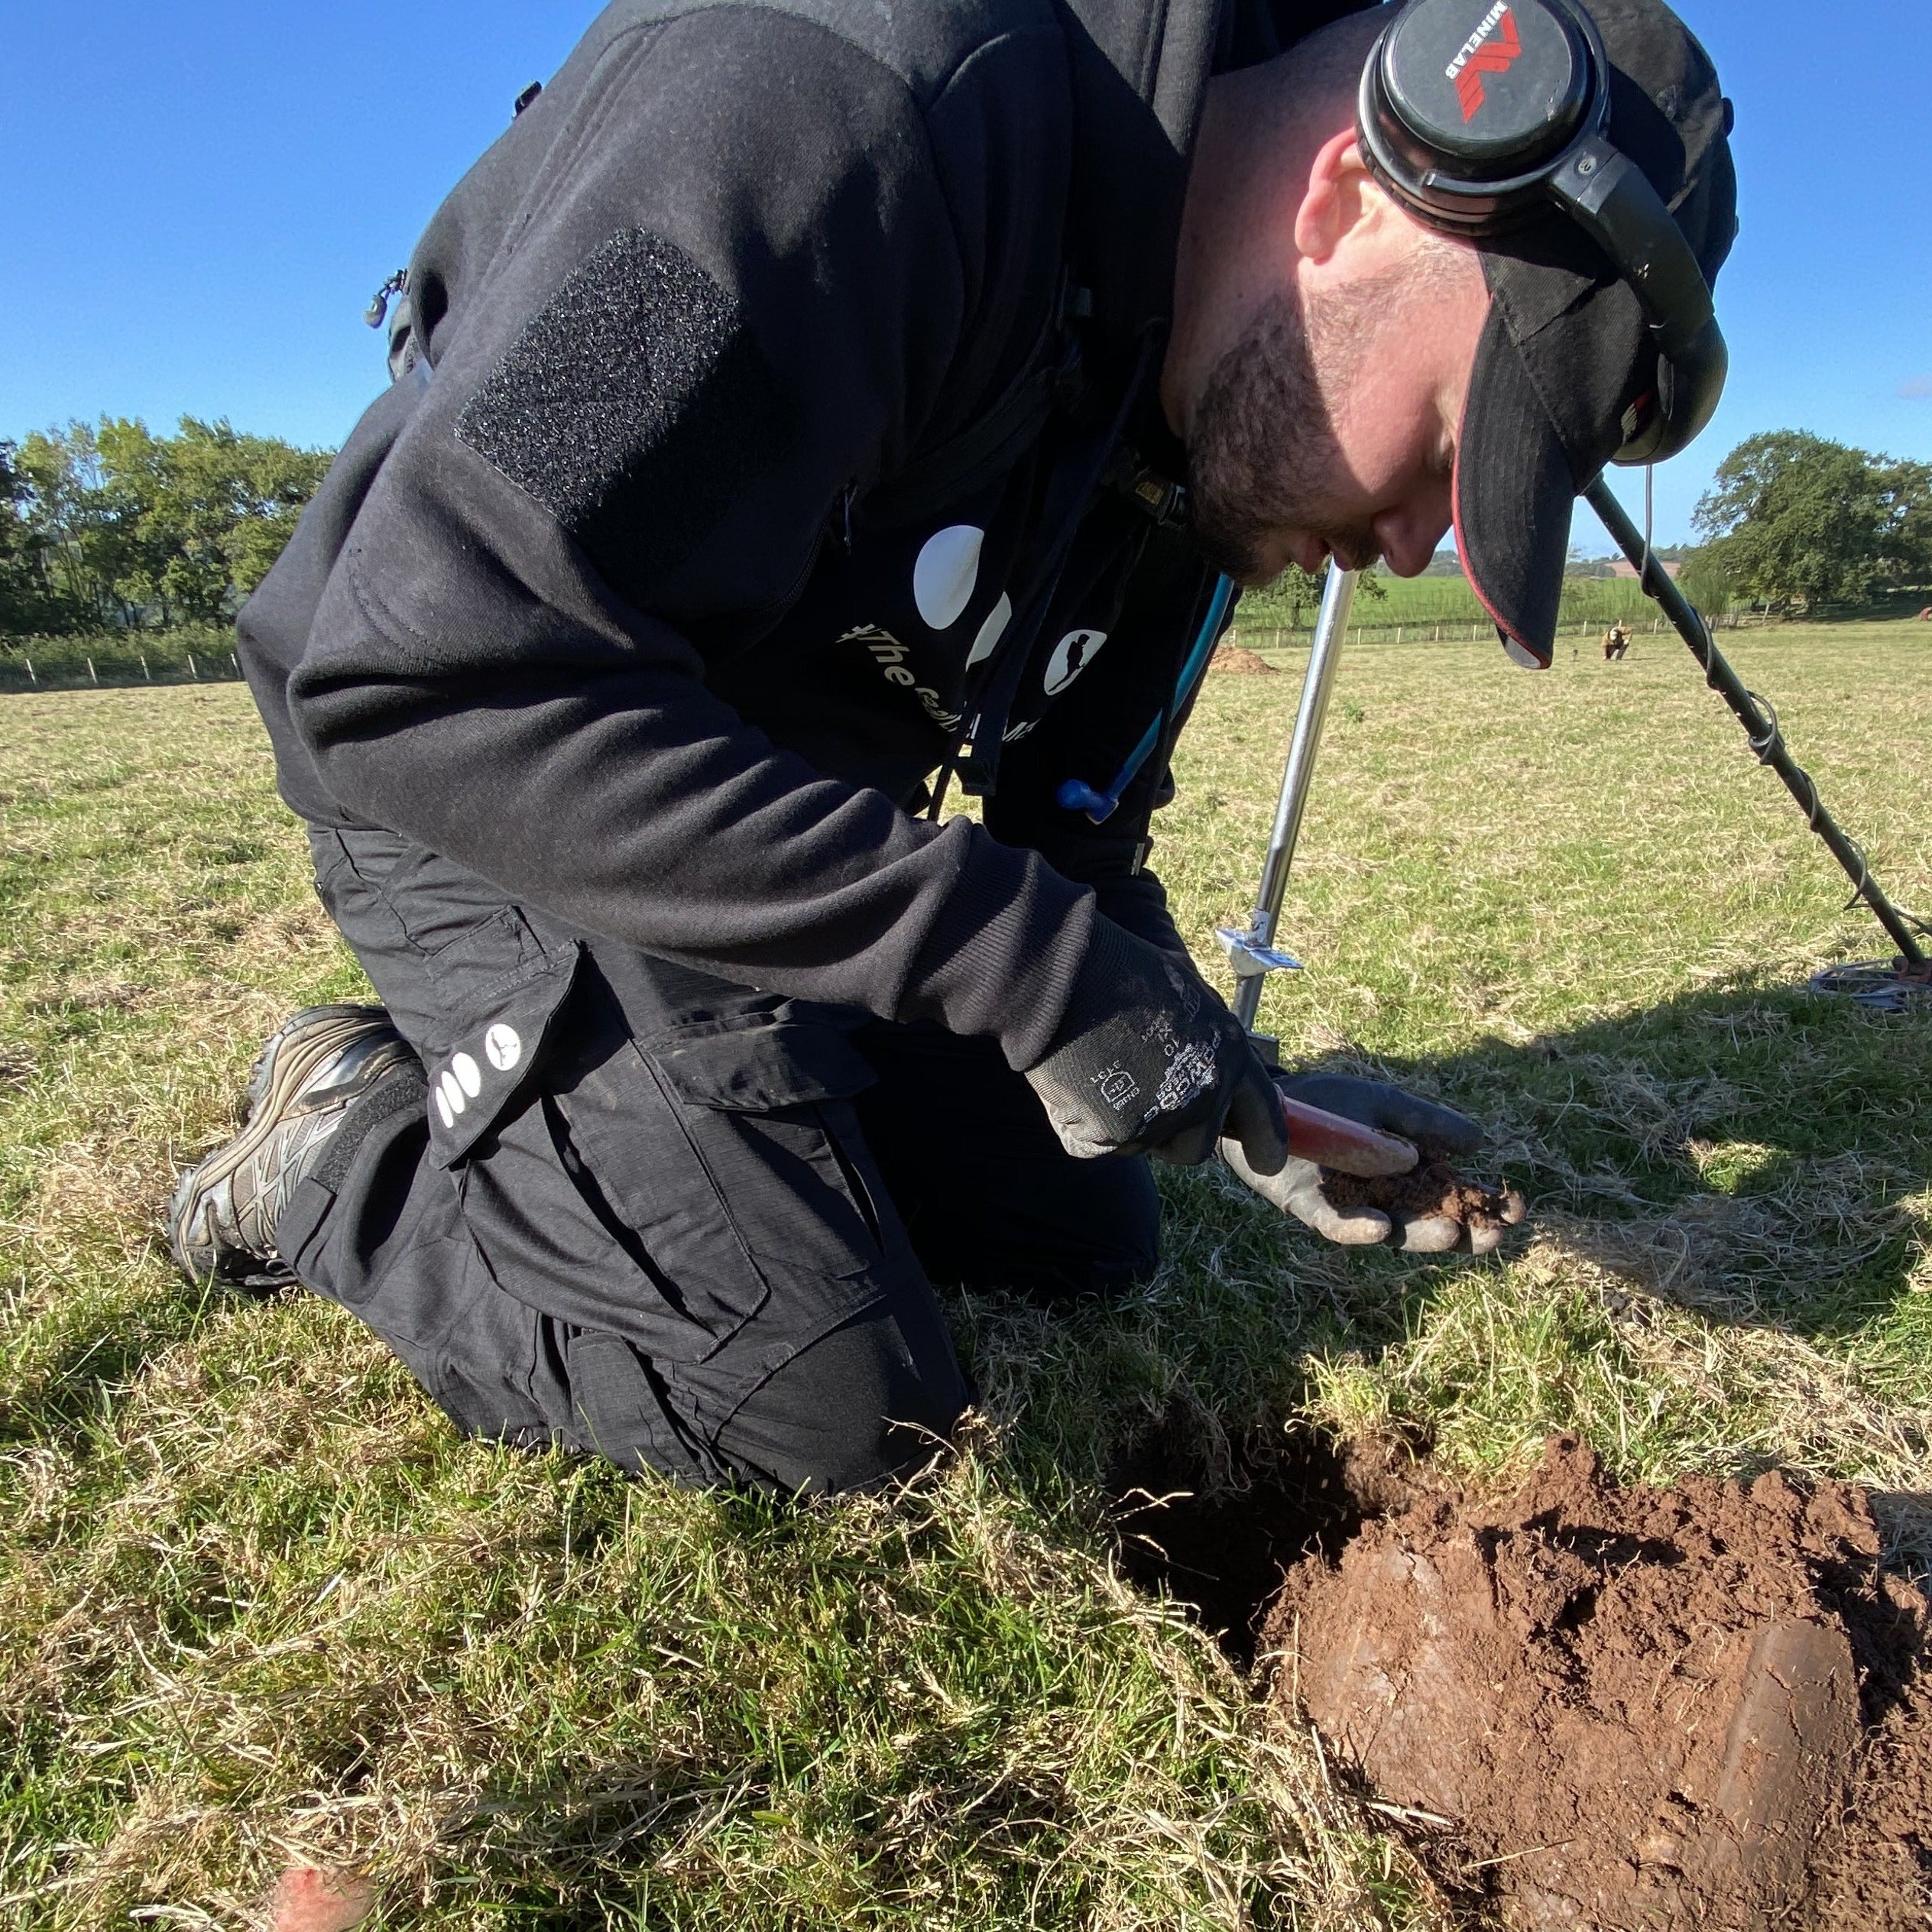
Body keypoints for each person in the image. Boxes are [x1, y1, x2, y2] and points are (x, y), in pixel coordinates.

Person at [170, 0, 1736, 1494]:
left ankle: (724, 1133)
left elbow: (1067, 831)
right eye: (1456, 452)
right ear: (1343, 199)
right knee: (822, 1400)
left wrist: (1224, 1082)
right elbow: (432, 664)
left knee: (1082, 1232)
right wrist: (1032, 969)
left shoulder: (1205, 427)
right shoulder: (844, 116)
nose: (1416, 545)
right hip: (493, 760)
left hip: (775, 830)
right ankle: (337, 1142)